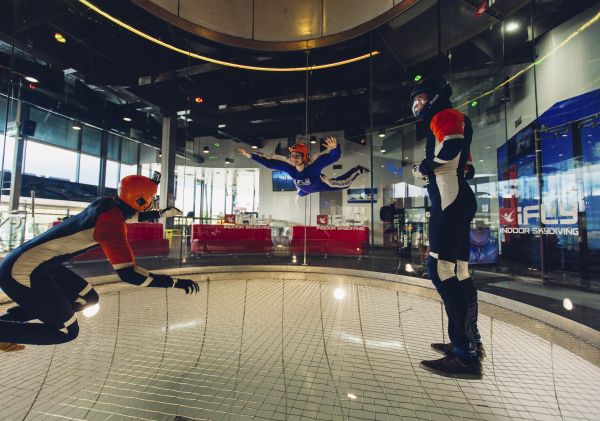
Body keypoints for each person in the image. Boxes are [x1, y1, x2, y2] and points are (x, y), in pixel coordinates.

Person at [0, 172, 199, 352]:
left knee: (87, 300)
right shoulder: (112, 228)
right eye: (151, 200)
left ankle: (8, 322)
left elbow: (128, 216)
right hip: (22, 272)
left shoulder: (106, 204)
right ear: (139, 200)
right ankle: (4, 331)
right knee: (67, 332)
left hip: (39, 265)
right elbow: (130, 275)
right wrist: (175, 282)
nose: (153, 203)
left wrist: (160, 214)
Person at [410, 76, 484, 379]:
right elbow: (465, 165)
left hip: (450, 203)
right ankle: (469, 343)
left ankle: (465, 356)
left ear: (436, 97)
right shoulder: (454, 118)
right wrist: (435, 166)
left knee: (441, 271)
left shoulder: (444, 115)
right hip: (456, 198)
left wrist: (426, 166)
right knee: (460, 271)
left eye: (421, 98)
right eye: (415, 100)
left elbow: (452, 148)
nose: (417, 105)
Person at [238, 137, 369, 197]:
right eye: (292, 156)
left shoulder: (313, 166)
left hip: (320, 184)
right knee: (301, 194)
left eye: (297, 156)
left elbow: (332, 157)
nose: (294, 159)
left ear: (304, 157)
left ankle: (357, 169)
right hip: (304, 190)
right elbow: (270, 163)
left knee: (344, 184)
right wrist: (251, 156)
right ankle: (303, 192)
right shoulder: (290, 168)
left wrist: (335, 149)